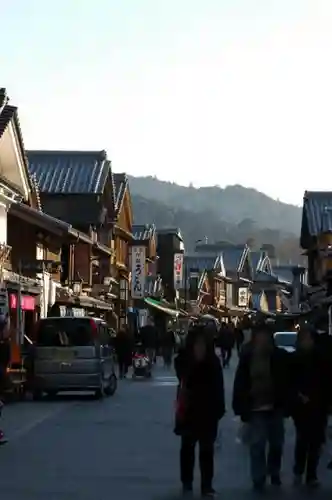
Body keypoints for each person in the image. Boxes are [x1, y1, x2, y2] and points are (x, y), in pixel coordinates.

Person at [232, 323, 290, 491]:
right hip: (255, 406)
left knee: (276, 443)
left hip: (275, 405)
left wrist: (287, 402)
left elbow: (286, 380)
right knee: (257, 445)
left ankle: (274, 471)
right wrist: (240, 406)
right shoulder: (248, 356)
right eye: (260, 336)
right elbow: (241, 382)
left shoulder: (278, 356)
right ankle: (258, 477)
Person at [174, 327, 225, 497]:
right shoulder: (184, 361)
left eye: (203, 345)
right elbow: (181, 374)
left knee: (206, 450)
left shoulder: (213, 363)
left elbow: (219, 388)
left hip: (208, 412)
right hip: (189, 410)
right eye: (197, 345)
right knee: (187, 448)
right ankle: (187, 481)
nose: (200, 348)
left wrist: (219, 409)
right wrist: (192, 363)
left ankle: (206, 485)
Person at [289, 327, 330, 487]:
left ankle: (311, 474)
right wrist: (298, 396)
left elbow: (327, 382)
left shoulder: (322, 359)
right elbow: (290, 382)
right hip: (302, 407)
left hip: (319, 405)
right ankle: (299, 469)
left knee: (316, 442)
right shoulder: (295, 359)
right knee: (303, 440)